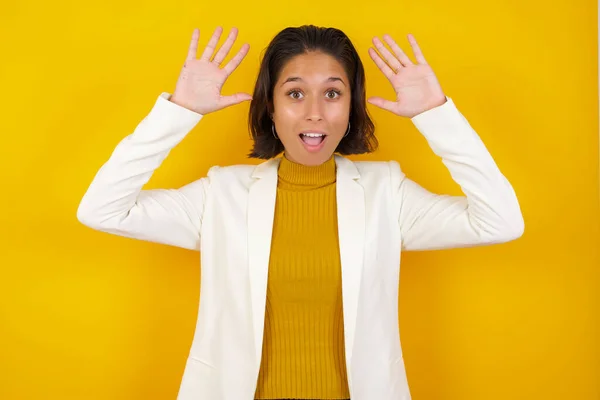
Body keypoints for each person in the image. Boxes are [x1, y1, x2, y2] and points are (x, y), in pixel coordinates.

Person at [77, 24, 524, 400]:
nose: (315, 113)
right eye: (295, 94)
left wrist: (436, 115)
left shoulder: (387, 192)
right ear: (270, 107)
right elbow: (102, 209)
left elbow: (500, 221)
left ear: (352, 108)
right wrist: (178, 113)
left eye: (333, 93)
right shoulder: (222, 193)